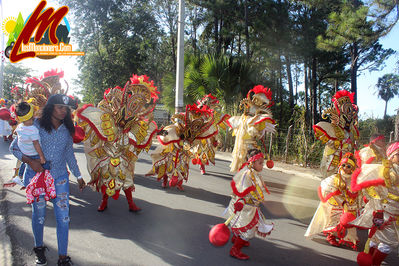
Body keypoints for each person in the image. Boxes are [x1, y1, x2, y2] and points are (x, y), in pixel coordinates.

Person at [10, 94, 86, 266]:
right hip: (37, 178)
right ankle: (39, 249)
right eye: (60, 107)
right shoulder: (33, 125)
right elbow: (14, 147)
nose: (63, 111)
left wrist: (79, 176)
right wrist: (31, 162)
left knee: (63, 218)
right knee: (39, 216)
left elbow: (68, 154)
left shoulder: (67, 129)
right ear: (51, 108)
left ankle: (62, 257)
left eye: (66, 108)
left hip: (59, 179)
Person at [350, 142, 399, 266]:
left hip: (392, 213)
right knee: (388, 242)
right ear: (391, 156)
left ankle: (370, 261)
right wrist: (378, 210)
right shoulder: (388, 171)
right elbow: (374, 190)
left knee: (377, 239)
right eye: (398, 154)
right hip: (387, 212)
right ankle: (374, 263)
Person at [305, 152, 362, 250]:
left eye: (348, 166)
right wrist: (341, 201)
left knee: (350, 222)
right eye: (343, 165)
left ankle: (348, 239)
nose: (345, 168)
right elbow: (326, 188)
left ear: (352, 169)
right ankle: (331, 236)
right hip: (336, 204)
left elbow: (358, 193)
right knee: (335, 220)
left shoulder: (354, 180)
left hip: (350, 206)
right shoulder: (335, 178)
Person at [226, 149, 274, 260]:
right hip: (244, 206)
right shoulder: (247, 175)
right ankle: (235, 249)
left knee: (240, 224)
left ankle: (236, 238)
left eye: (263, 163)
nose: (263, 165)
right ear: (252, 163)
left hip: (249, 206)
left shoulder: (253, 172)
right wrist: (242, 202)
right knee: (248, 230)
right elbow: (244, 192)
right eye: (260, 163)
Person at [313, 90, 359, 178]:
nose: (349, 115)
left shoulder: (352, 131)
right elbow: (322, 135)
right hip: (332, 159)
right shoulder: (332, 128)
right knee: (329, 180)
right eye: (346, 111)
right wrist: (333, 143)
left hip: (345, 162)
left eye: (350, 112)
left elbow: (352, 145)